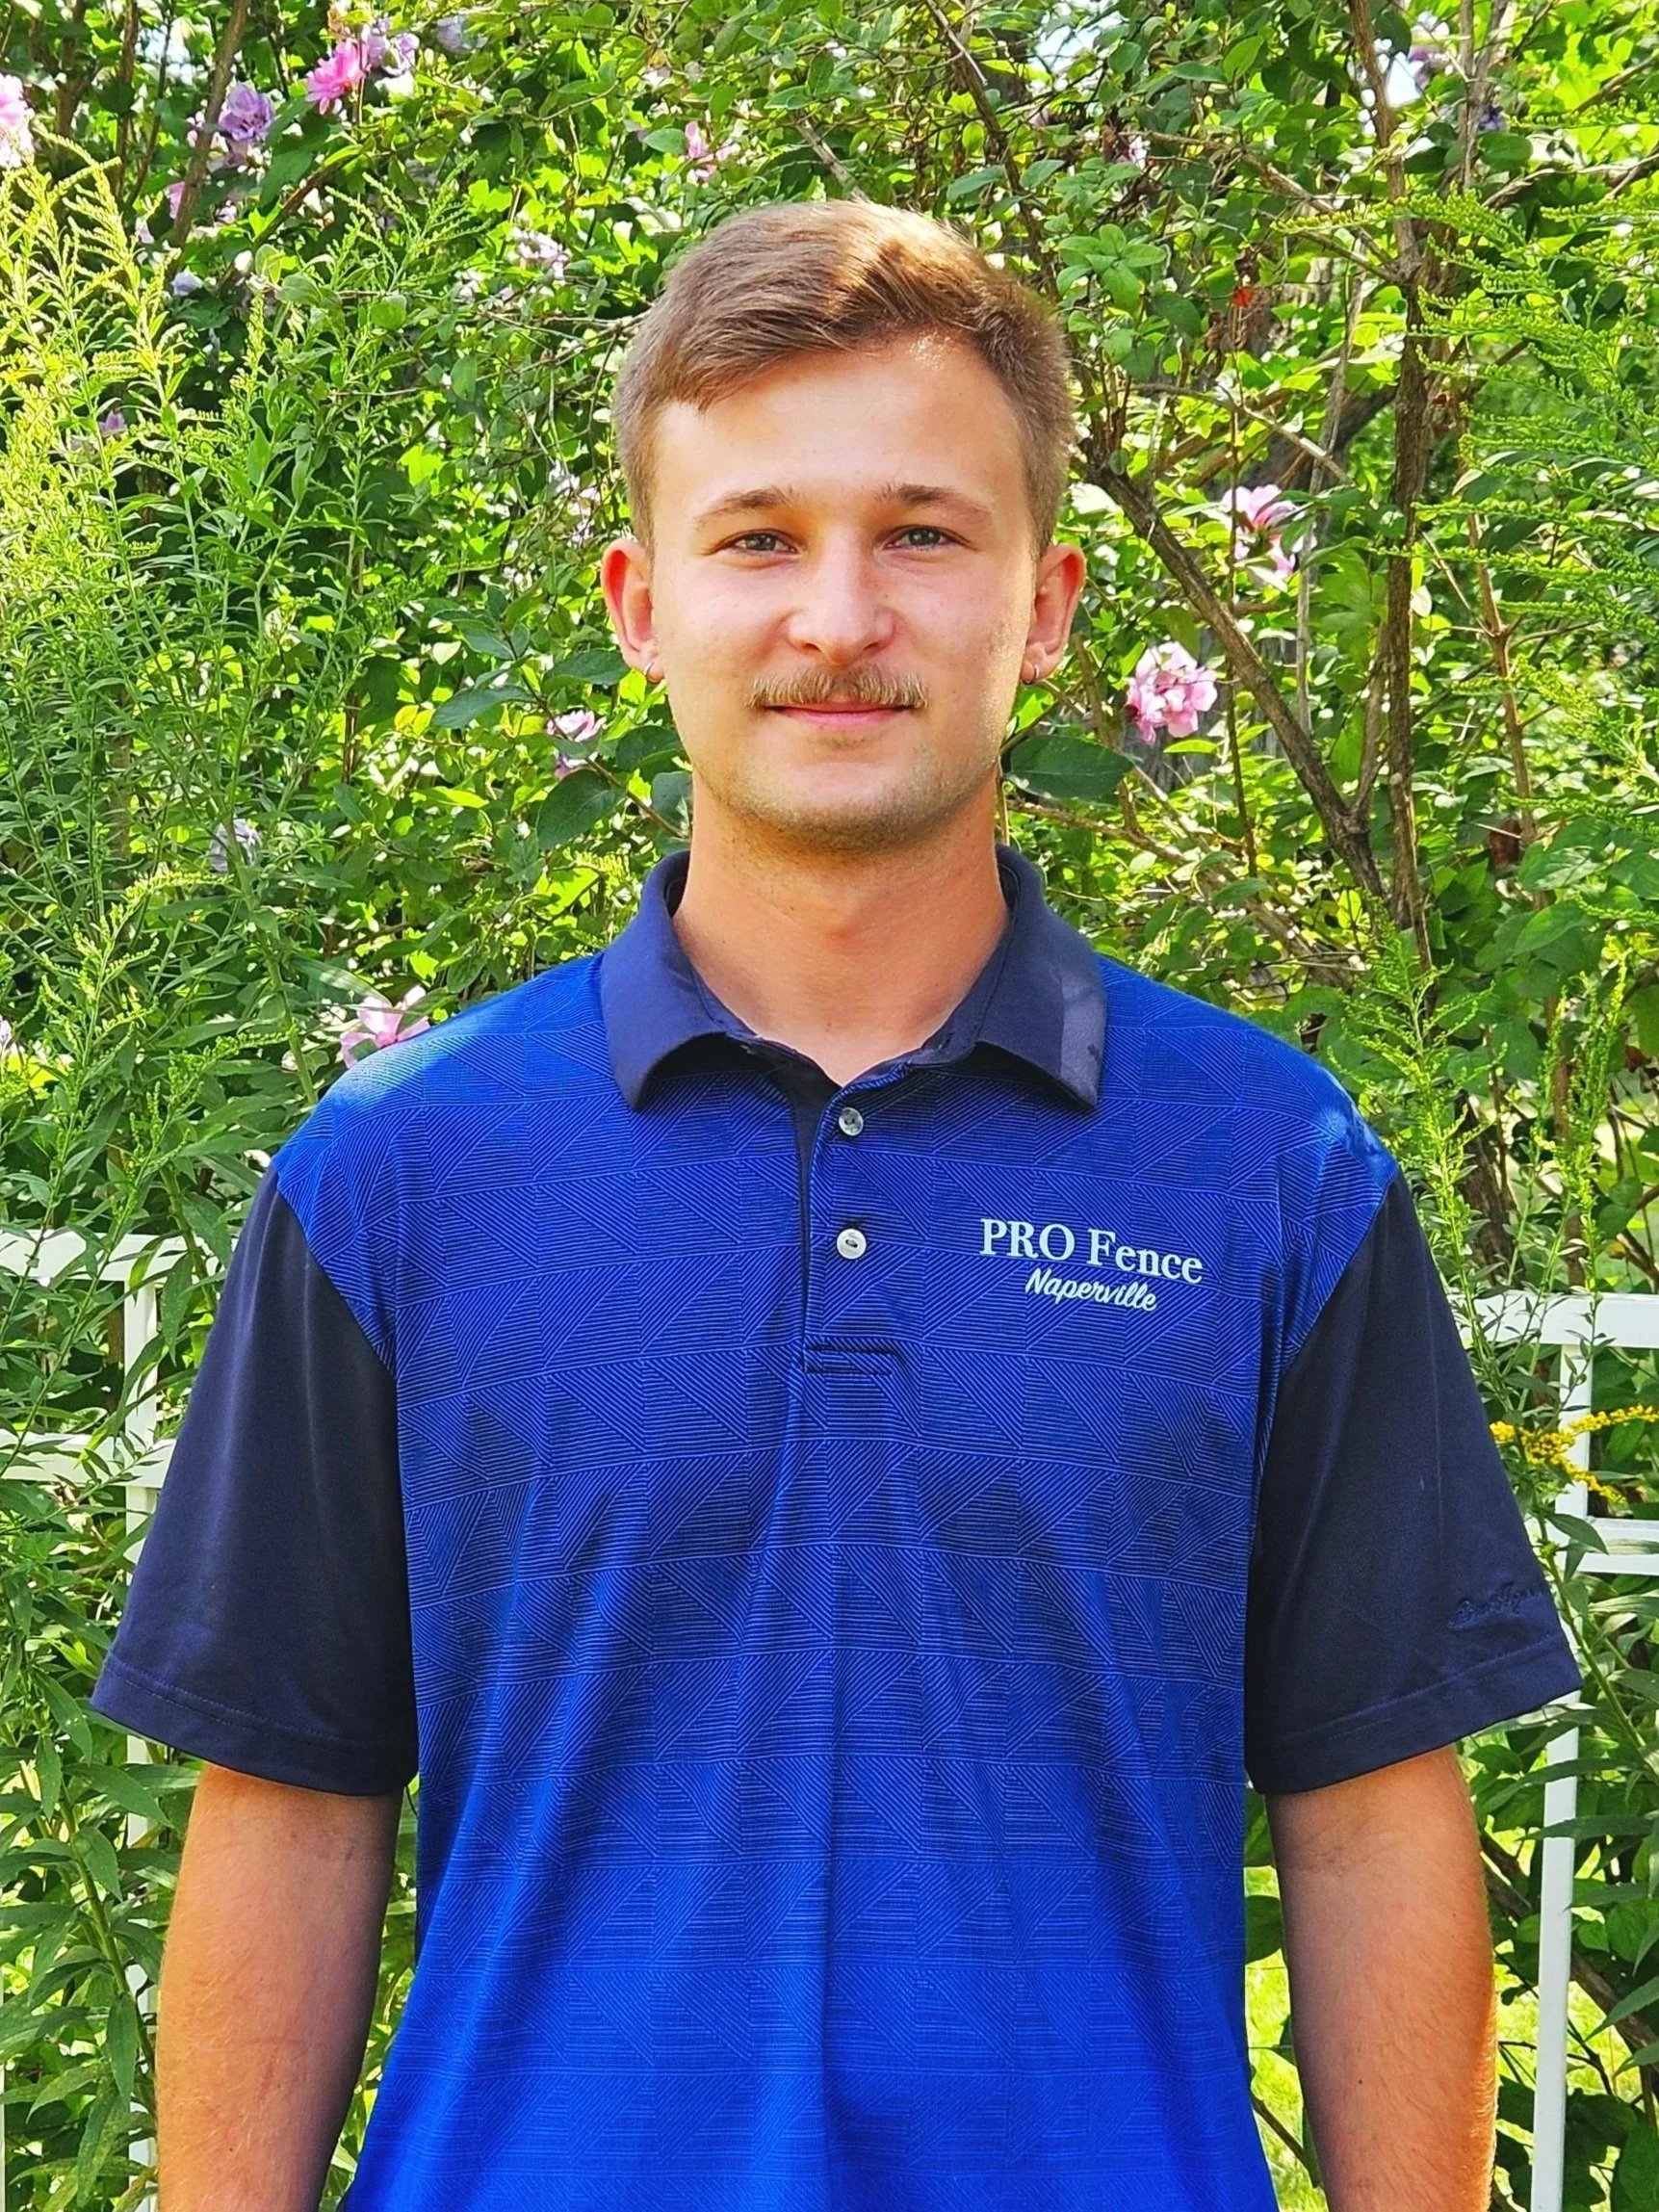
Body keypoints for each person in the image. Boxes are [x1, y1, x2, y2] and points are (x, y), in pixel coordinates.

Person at [92, 199, 1578, 2212]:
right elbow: (287, 1805)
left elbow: (1374, 1813)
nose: (840, 614)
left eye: (924, 533)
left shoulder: (1268, 1170)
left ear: (1044, 604)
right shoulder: (400, 1173)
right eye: (761, 537)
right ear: (640, 604)